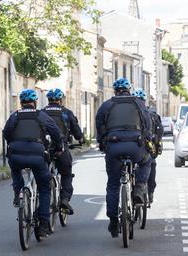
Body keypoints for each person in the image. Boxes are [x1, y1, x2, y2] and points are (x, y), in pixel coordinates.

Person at [3, 89, 63, 239]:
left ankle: (18, 193)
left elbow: (6, 132)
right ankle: (43, 225)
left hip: (16, 154)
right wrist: (58, 146)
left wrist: (13, 143)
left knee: (15, 169)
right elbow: (55, 131)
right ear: (35, 102)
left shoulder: (15, 116)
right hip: (37, 154)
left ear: (21, 103)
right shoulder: (41, 115)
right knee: (44, 188)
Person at [96, 79, 152, 238]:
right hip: (135, 146)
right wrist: (147, 138)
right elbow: (147, 124)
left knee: (113, 184)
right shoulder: (138, 103)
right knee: (146, 161)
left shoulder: (107, 105)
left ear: (115, 91)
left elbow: (99, 124)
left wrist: (102, 142)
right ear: (129, 90)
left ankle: (113, 221)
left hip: (113, 146)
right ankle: (139, 188)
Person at [42, 88, 85, 215]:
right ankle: (65, 199)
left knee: (42, 173)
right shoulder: (67, 113)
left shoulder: (42, 112)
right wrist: (81, 139)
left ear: (48, 100)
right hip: (61, 148)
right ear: (60, 100)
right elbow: (76, 131)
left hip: (44, 148)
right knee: (66, 173)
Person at [133, 89, 164, 205]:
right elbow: (159, 132)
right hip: (146, 148)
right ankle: (150, 193)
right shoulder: (150, 114)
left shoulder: (131, 113)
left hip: (131, 147)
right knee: (151, 164)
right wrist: (156, 145)